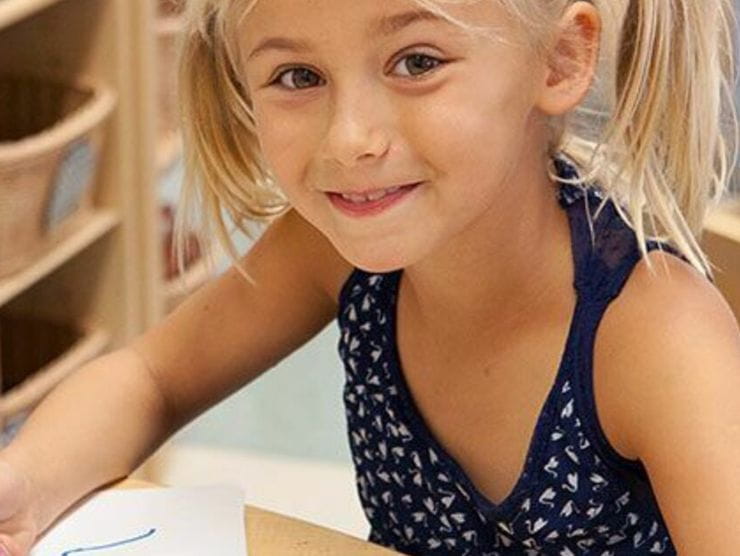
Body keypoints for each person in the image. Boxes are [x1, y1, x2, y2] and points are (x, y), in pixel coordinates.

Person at [1, 0, 739, 553]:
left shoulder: (660, 341)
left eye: (417, 62)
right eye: (298, 76)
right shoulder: (332, 250)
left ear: (558, 61)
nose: (349, 140)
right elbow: (151, 378)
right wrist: (24, 485)